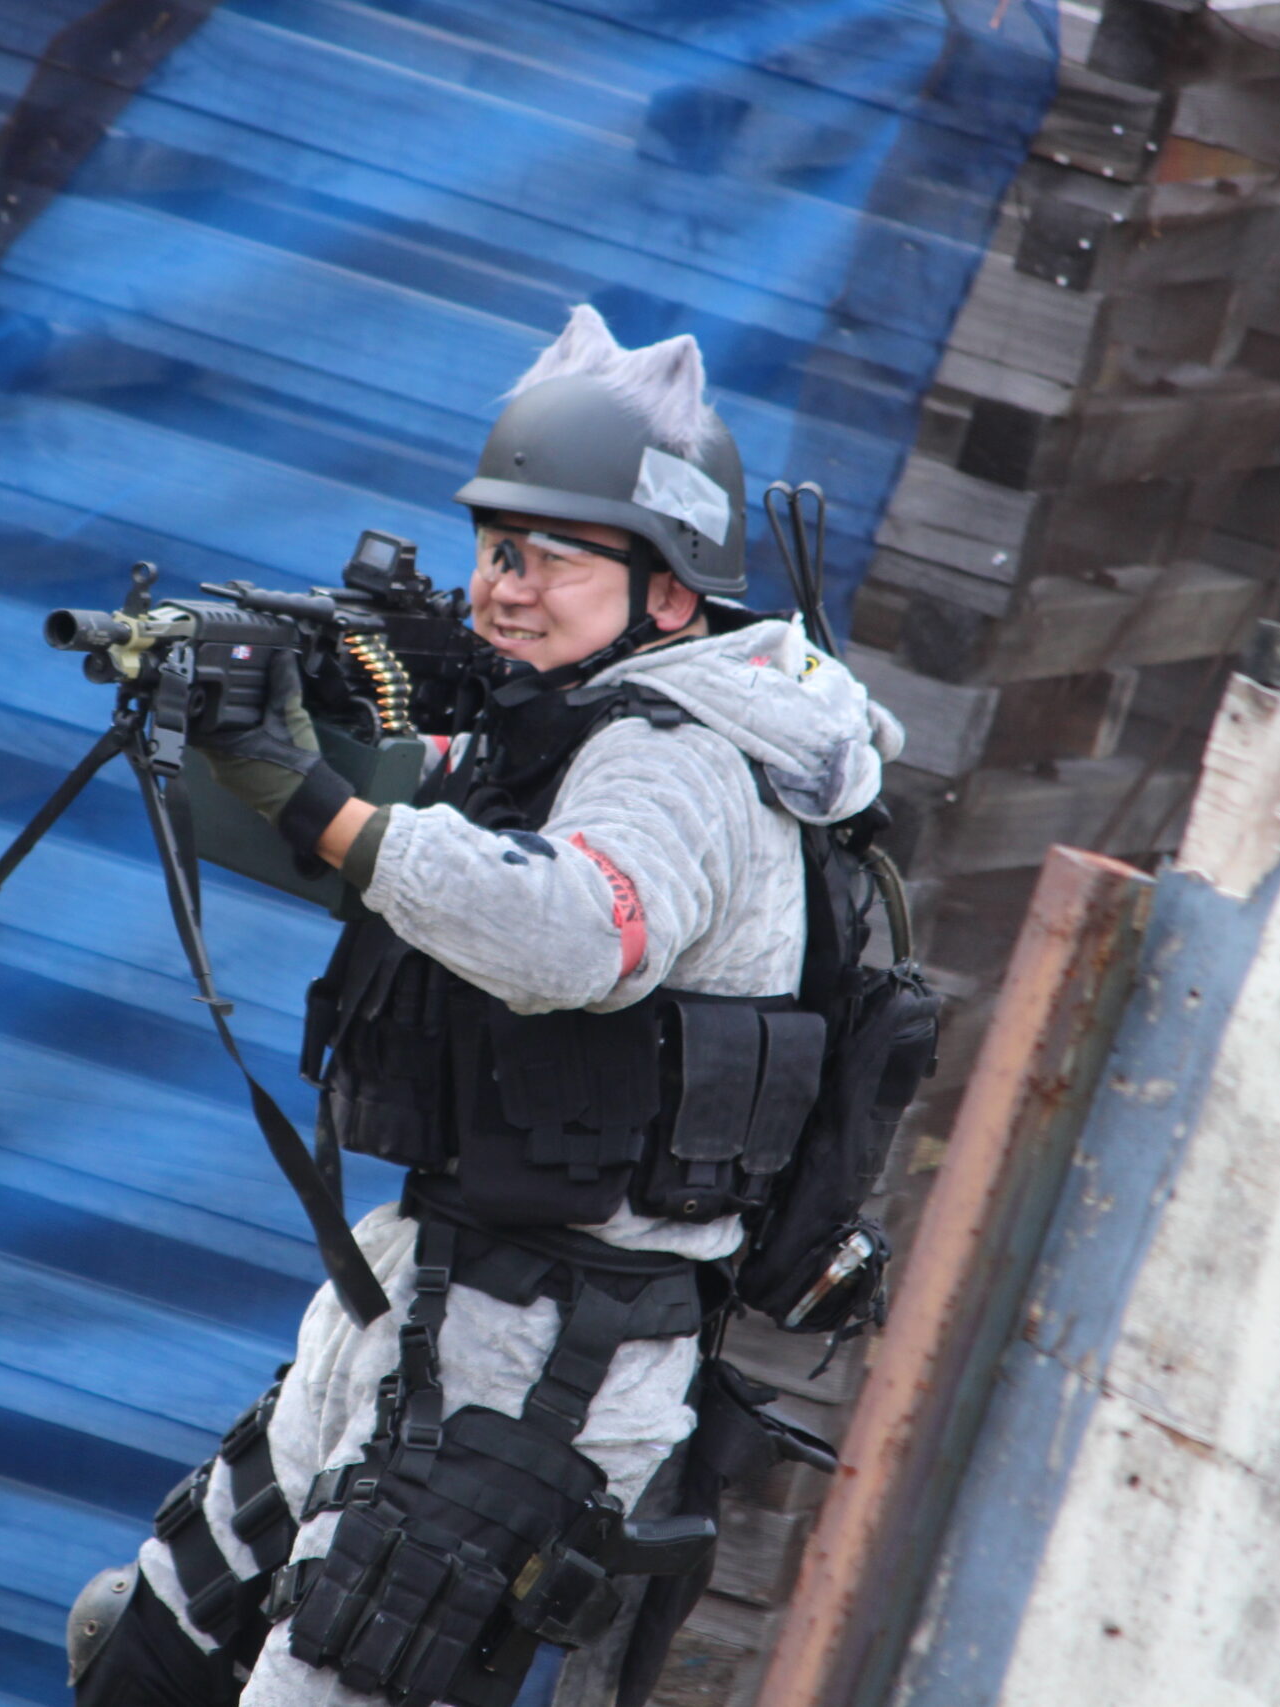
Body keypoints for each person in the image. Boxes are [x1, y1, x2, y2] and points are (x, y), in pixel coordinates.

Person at [66, 305, 904, 1707]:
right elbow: (384, 844)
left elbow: (574, 934)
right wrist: (251, 720)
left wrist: (316, 793)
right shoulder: (563, 721)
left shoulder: (683, 763)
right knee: (148, 1655)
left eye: (548, 558)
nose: (501, 589)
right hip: (423, 1300)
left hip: (546, 1367)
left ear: (671, 593)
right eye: (493, 548)